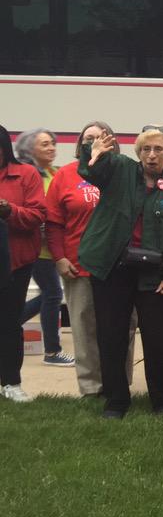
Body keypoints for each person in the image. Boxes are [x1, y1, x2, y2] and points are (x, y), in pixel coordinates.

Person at [78, 126, 163, 418]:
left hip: (153, 274)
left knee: (158, 339)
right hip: (112, 268)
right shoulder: (120, 169)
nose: (151, 155)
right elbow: (91, 173)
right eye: (145, 149)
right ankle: (116, 401)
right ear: (137, 152)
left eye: (158, 150)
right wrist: (93, 155)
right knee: (111, 335)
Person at [45, 121, 134, 397]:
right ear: (79, 143)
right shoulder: (66, 175)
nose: (92, 142)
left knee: (124, 325)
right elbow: (53, 223)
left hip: (119, 265)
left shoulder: (124, 170)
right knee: (84, 328)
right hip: (78, 265)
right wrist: (59, 257)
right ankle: (91, 386)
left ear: (112, 141)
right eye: (87, 138)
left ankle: (119, 382)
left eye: (99, 137)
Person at [15, 128, 74, 366]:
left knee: (51, 294)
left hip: (54, 245)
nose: (51, 148)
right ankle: (52, 352)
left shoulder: (53, 172)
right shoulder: (29, 175)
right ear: (30, 150)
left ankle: (8, 323)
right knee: (53, 294)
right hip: (38, 246)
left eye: (52, 143)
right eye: (44, 144)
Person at [0, 125, 46, 403]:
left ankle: (11, 382)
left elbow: (38, 215)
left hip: (15, 263)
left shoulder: (25, 174)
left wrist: (9, 211)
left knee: (8, 323)